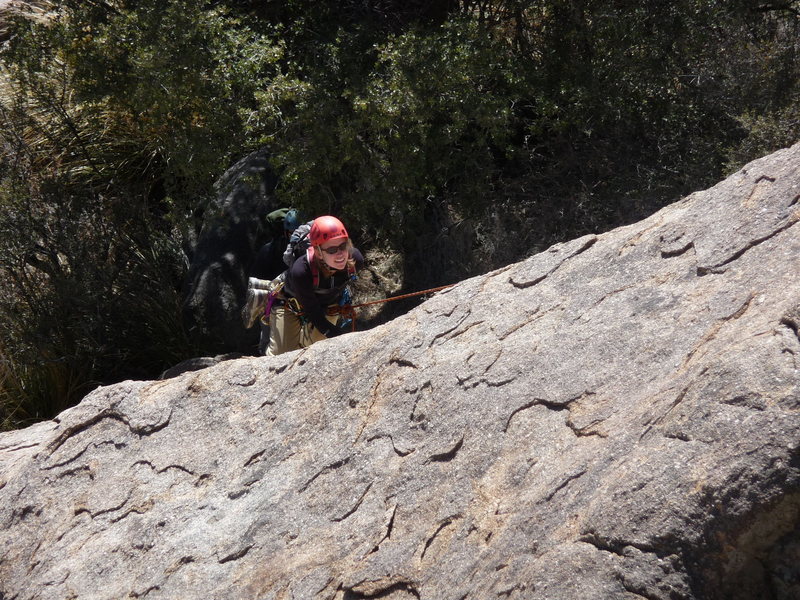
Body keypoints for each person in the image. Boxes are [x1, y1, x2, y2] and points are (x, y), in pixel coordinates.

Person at [267, 215, 364, 356]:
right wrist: (340, 336)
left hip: (327, 304)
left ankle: (304, 342)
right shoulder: (302, 271)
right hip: (289, 304)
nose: (340, 255)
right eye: (331, 250)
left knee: (318, 349)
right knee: (281, 354)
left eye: (343, 246)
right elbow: (313, 312)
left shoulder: (355, 260)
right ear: (318, 252)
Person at [250, 208, 301, 281]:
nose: (298, 236)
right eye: (293, 233)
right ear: (286, 232)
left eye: (301, 232)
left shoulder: (310, 248)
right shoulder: (271, 250)